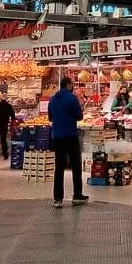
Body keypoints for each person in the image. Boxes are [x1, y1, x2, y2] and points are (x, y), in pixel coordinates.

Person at [48, 77, 88, 208]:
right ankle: (77, 195)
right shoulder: (72, 98)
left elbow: (50, 117)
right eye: (72, 85)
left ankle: (58, 199)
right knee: (76, 165)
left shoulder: (53, 99)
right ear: (69, 85)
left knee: (59, 167)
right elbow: (79, 116)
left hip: (57, 136)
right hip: (70, 135)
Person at [0, 90, 16, 160]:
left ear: (0, 98)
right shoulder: (9, 106)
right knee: (3, 141)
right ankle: (5, 155)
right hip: (4, 125)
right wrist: (11, 122)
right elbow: (13, 116)